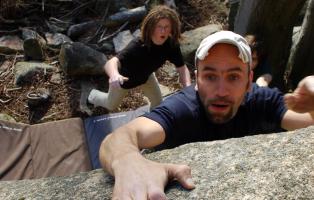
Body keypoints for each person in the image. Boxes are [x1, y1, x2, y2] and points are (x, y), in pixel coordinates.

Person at [98, 31, 314, 199]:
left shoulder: (261, 100)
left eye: (233, 77)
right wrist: (128, 161)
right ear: (196, 80)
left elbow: (306, 123)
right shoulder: (183, 107)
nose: (221, 91)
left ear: (249, 81)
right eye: (210, 76)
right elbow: (120, 138)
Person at [87, 5, 191, 111]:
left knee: (158, 104)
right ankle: (92, 95)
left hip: (146, 77)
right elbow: (112, 62)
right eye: (159, 26)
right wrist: (114, 75)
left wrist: (188, 87)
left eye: (166, 27)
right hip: (124, 81)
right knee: (111, 105)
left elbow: (182, 68)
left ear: (172, 28)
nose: (163, 31)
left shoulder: (171, 44)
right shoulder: (138, 45)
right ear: (151, 27)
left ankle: (153, 123)